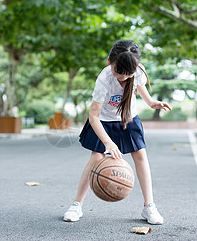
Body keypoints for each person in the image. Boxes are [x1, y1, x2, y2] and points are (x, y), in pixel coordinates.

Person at [63, 40, 171, 224]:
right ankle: (76, 204)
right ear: (109, 62)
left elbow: (142, 90)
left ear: (135, 67)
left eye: (128, 74)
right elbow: (93, 117)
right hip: (103, 121)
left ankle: (149, 206)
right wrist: (107, 142)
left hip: (128, 119)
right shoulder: (104, 79)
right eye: (118, 72)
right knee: (96, 158)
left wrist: (152, 103)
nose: (122, 77)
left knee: (140, 155)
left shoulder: (137, 72)